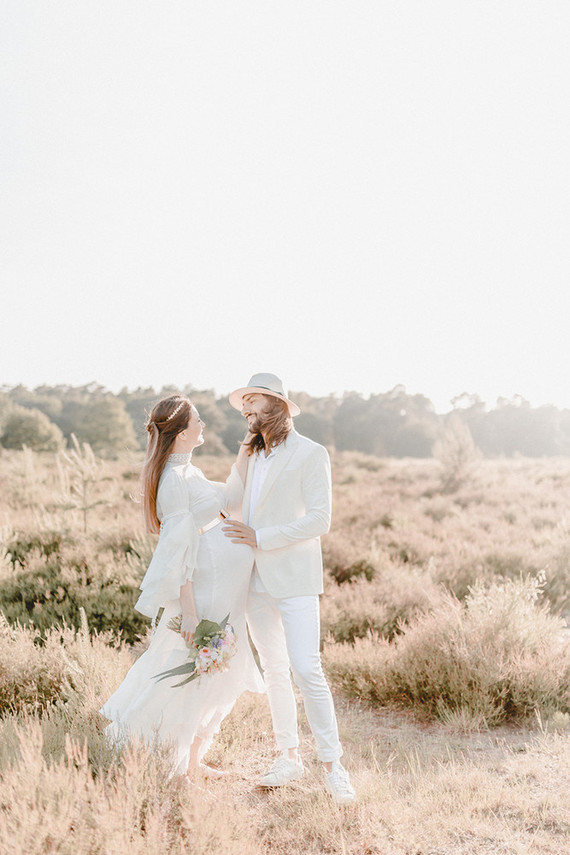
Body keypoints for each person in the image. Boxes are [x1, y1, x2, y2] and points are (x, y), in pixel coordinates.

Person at [100, 395, 264, 779]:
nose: (203, 424)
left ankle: (193, 761)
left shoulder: (189, 471)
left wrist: (246, 446)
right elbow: (178, 552)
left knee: (212, 676)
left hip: (223, 590)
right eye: (198, 419)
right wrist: (189, 612)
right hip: (203, 594)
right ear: (181, 432)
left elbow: (230, 498)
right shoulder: (173, 481)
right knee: (188, 675)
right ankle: (172, 767)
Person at [222, 373, 356, 804]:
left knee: (306, 668)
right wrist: (243, 453)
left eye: (254, 402)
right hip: (253, 580)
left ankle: (334, 766)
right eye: (243, 404)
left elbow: (320, 519)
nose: (246, 409)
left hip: (294, 577)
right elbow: (230, 504)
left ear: (278, 405)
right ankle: (288, 755)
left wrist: (262, 536)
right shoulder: (251, 453)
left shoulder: (311, 453)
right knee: (275, 670)